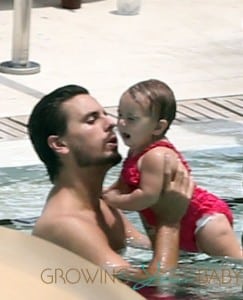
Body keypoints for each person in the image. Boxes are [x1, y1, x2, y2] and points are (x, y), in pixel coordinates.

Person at [27, 84, 193, 283]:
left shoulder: (102, 203)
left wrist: (155, 200)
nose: (112, 122)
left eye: (105, 114)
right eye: (92, 120)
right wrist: (169, 223)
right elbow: (158, 285)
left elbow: (152, 250)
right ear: (60, 144)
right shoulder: (65, 224)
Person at [103, 79, 242, 261]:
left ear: (158, 127)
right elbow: (123, 184)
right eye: (120, 114)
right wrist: (104, 195)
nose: (121, 123)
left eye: (131, 118)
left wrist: (115, 200)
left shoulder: (156, 155)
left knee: (235, 265)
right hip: (180, 223)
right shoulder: (135, 152)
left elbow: (146, 197)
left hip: (204, 221)